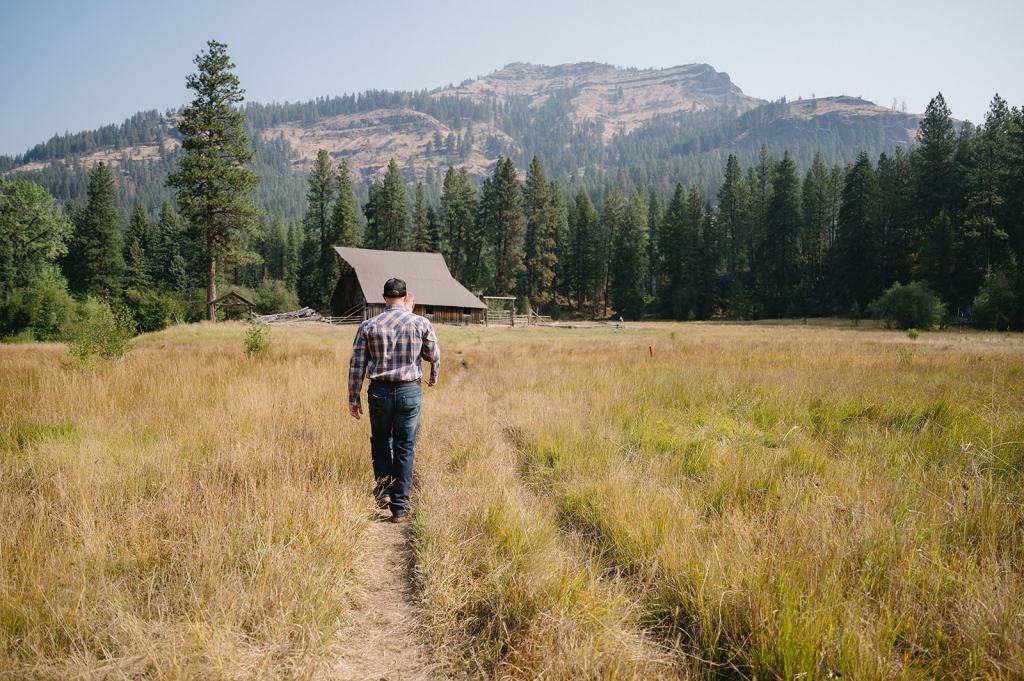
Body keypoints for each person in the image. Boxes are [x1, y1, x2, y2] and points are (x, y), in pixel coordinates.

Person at [348, 277, 440, 523]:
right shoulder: (421, 323)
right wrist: (434, 376)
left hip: (379, 391)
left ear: (385, 297)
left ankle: (383, 490)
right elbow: (433, 354)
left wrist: (353, 397)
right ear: (405, 296)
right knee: (404, 446)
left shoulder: (368, 326)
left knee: (379, 441)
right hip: (409, 391)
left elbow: (357, 365)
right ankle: (399, 507)